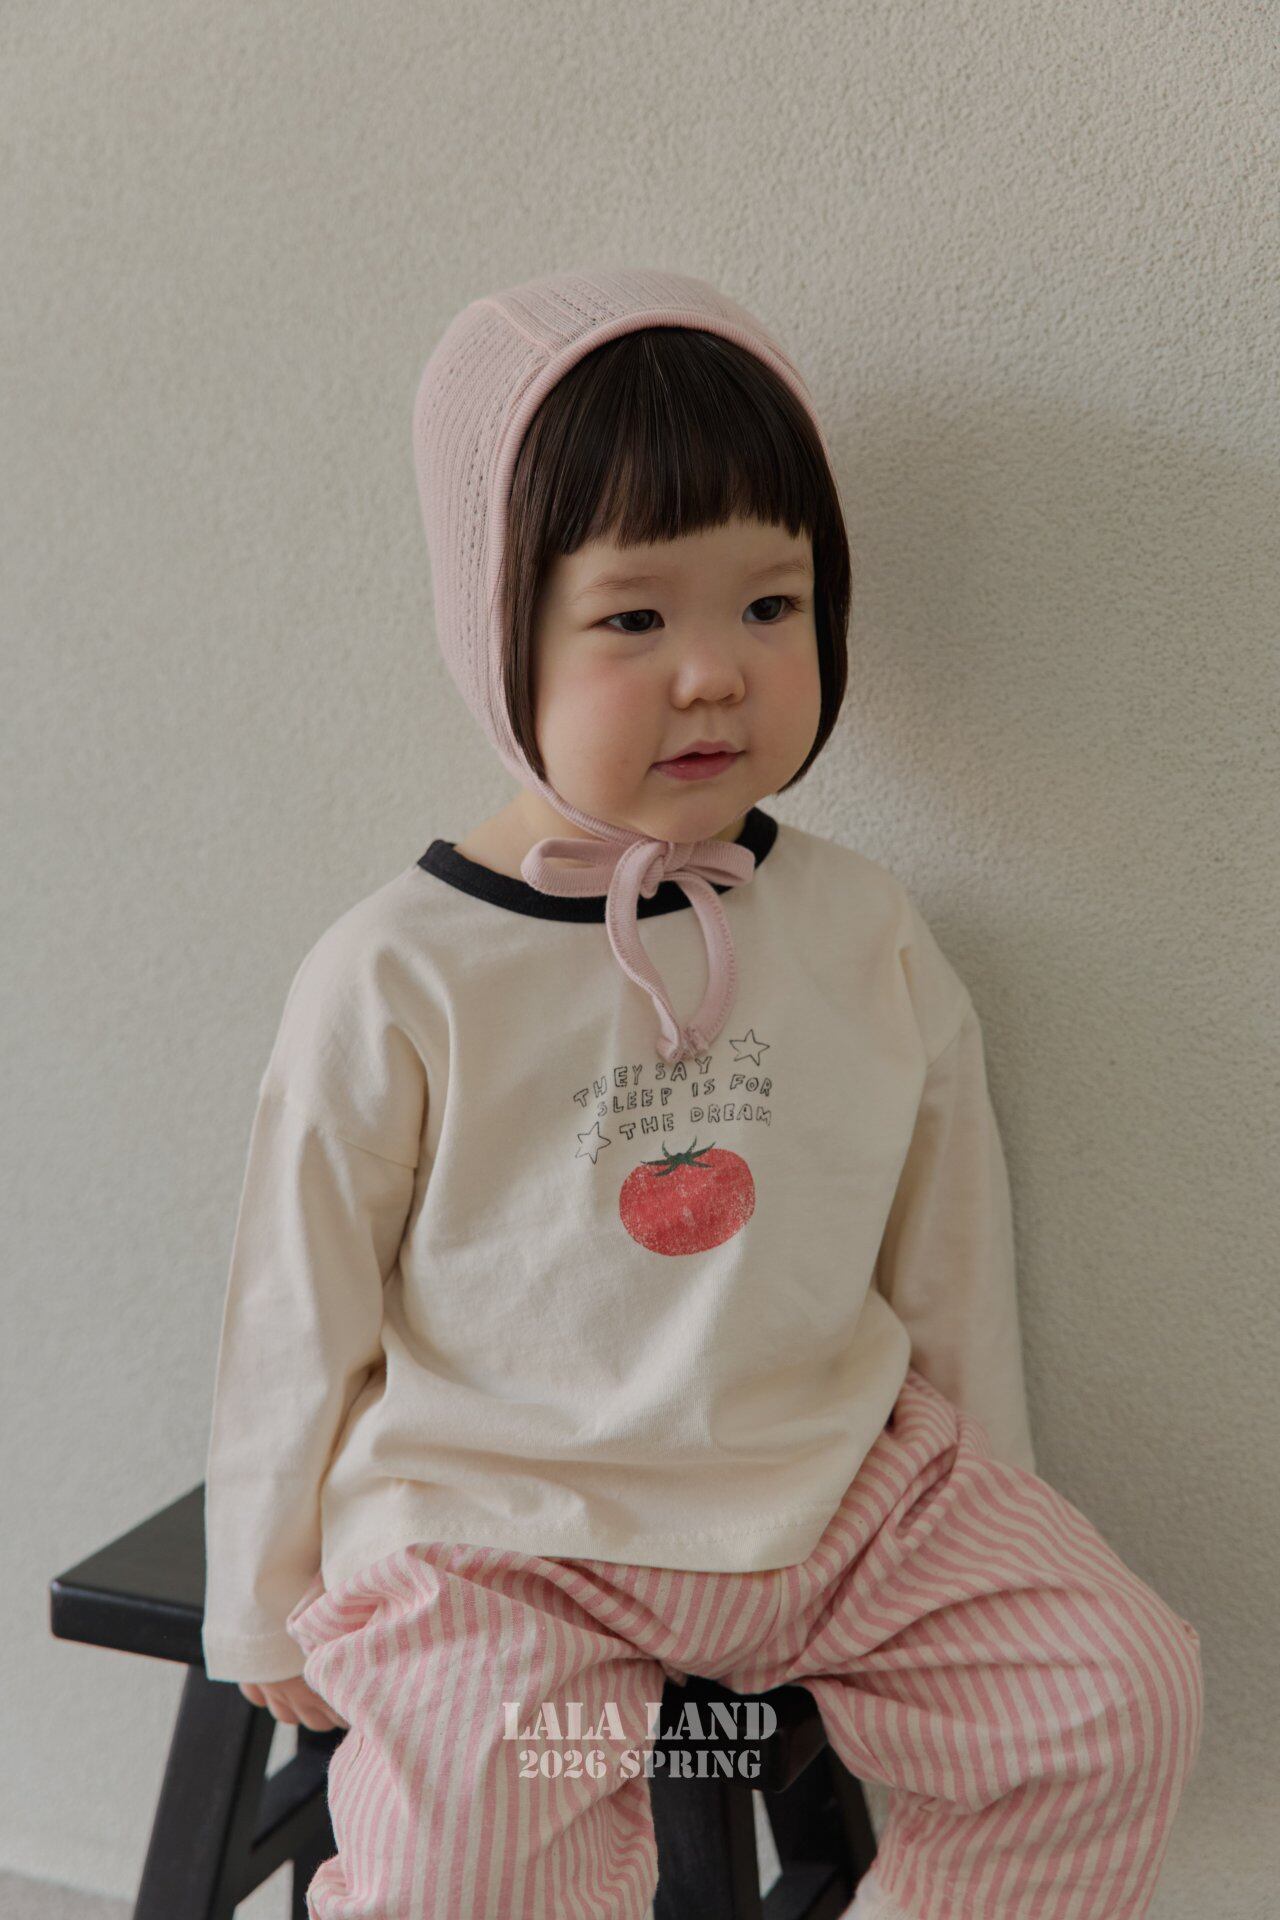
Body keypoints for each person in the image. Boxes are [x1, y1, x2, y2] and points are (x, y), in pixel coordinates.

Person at [200, 267, 1203, 1920]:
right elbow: (294, 1294)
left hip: (840, 1514)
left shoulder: (860, 927)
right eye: (633, 619)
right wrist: (260, 1589)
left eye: (770, 606)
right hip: (512, 1543)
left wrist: (1001, 1501)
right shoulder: (400, 971)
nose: (714, 675)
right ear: (496, 630)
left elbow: (948, 1247)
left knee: (1114, 1693)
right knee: (465, 1845)